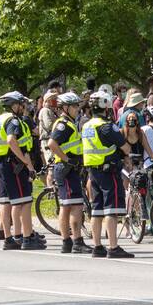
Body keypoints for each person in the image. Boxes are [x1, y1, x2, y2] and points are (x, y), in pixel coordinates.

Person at [0, 91, 45, 250]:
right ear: (14, 105)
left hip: (1, 162)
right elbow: (11, 140)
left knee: (9, 201)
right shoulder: (13, 121)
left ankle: (11, 238)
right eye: (22, 104)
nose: (24, 107)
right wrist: (26, 163)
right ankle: (26, 238)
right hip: (14, 164)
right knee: (24, 201)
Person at [81, 100, 135, 258]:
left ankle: (97, 246)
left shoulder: (87, 125)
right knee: (111, 209)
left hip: (93, 171)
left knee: (96, 209)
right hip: (108, 170)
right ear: (106, 109)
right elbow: (126, 147)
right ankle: (113, 246)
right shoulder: (106, 126)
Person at [47, 91, 90, 254]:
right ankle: (70, 241)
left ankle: (74, 241)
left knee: (75, 205)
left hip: (71, 169)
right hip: (65, 169)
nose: (77, 108)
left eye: (77, 105)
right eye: (74, 106)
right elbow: (52, 143)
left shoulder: (71, 123)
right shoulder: (63, 124)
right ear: (65, 107)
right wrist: (66, 159)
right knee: (69, 206)